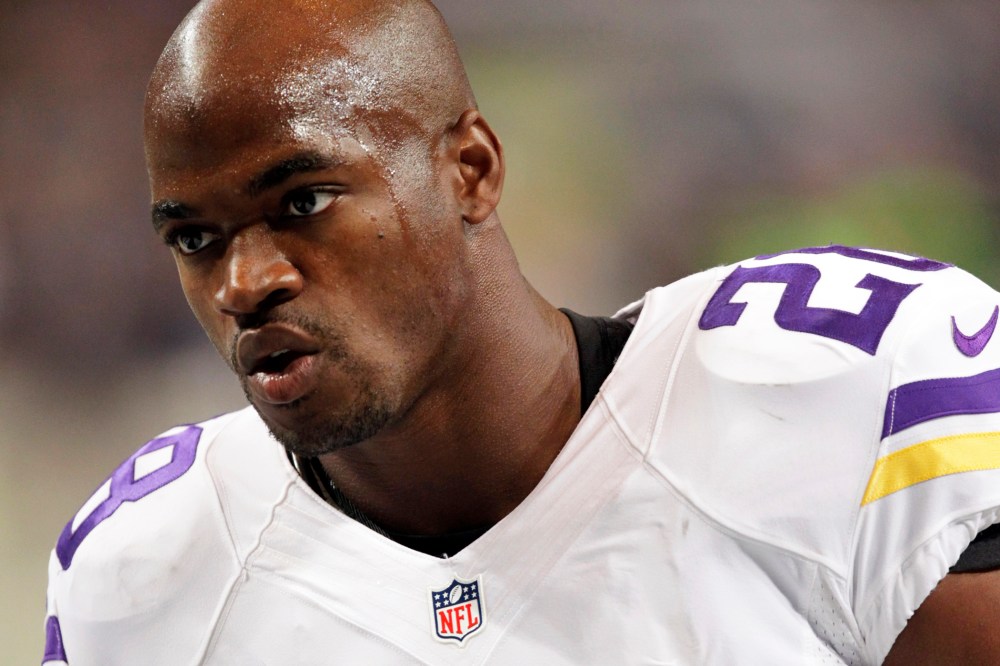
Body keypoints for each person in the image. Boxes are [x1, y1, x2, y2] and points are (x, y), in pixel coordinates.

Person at [42, 0, 1000, 663]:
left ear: (470, 169)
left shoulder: (841, 385)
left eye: (304, 200)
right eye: (196, 238)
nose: (244, 283)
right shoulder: (147, 570)